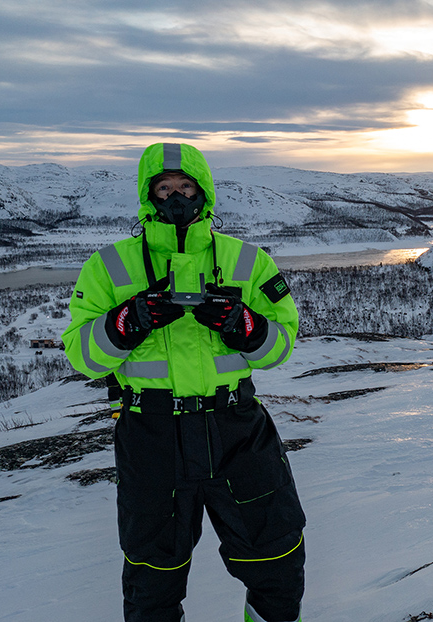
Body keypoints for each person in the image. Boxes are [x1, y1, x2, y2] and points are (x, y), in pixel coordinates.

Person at [62, 143, 305, 622]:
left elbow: (280, 346)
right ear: (148, 195)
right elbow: (82, 354)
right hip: (151, 435)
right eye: (164, 188)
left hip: (237, 428)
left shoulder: (247, 260)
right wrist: (127, 321)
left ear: (203, 191)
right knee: (152, 577)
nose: (176, 198)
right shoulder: (109, 265)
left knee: (277, 558)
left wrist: (245, 326)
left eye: (186, 187)